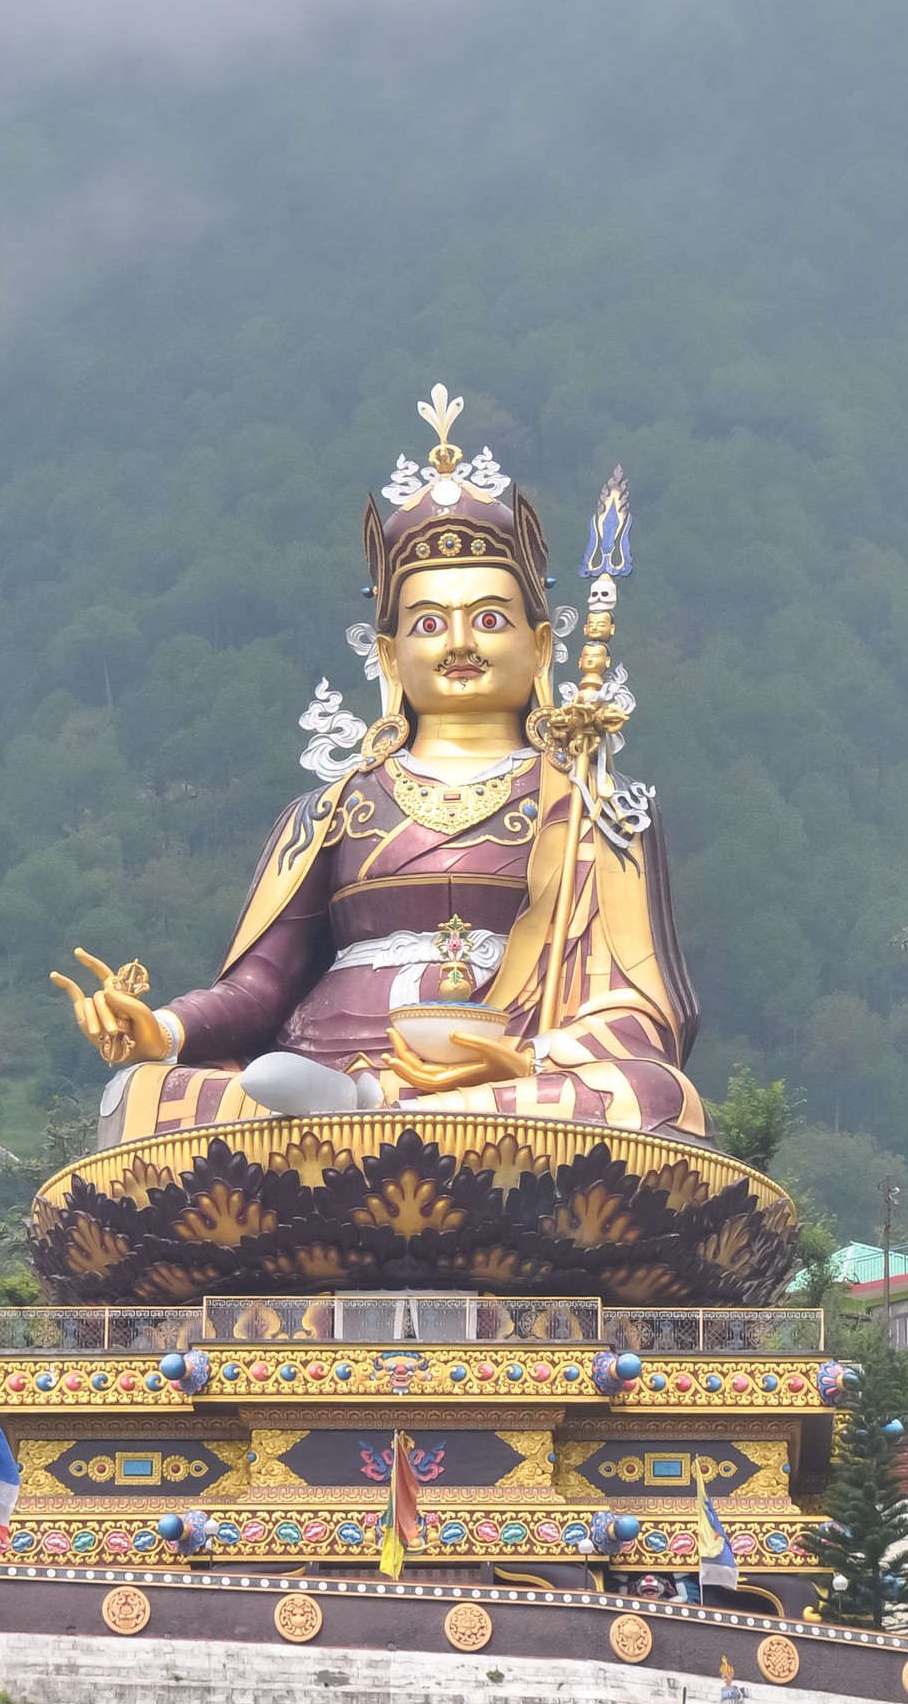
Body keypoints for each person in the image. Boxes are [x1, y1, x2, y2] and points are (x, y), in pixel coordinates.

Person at [53, 392, 706, 1144]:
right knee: (140, 1095)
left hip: (506, 1077)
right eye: (429, 623)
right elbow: (260, 987)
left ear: (542, 645)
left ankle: (377, 1110)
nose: (459, 642)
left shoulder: (597, 803)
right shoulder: (331, 810)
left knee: (649, 1097)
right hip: (320, 1061)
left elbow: (638, 1010)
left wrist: (525, 1055)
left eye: (489, 619)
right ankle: (359, 1103)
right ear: (391, 654)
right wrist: (161, 1030)